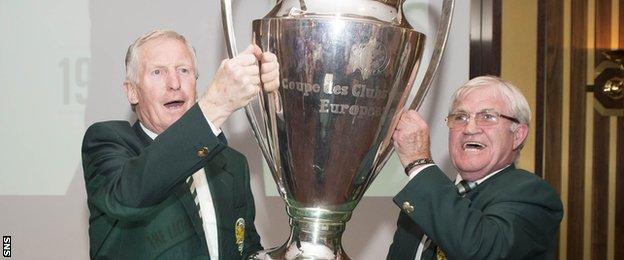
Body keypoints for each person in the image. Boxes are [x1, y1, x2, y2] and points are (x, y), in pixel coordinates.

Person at [81, 29, 280, 259]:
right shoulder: (107, 141)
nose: (174, 83)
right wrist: (215, 106)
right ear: (132, 91)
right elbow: (128, 197)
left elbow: (245, 250)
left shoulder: (232, 164)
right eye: (157, 72)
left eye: (183, 70)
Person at [387, 76, 563, 259]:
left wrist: (418, 162)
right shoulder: (426, 196)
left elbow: (480, 251)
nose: (469, 128)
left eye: (487, 117)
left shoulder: (533, 195)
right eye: (460, 117)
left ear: (518, 135)